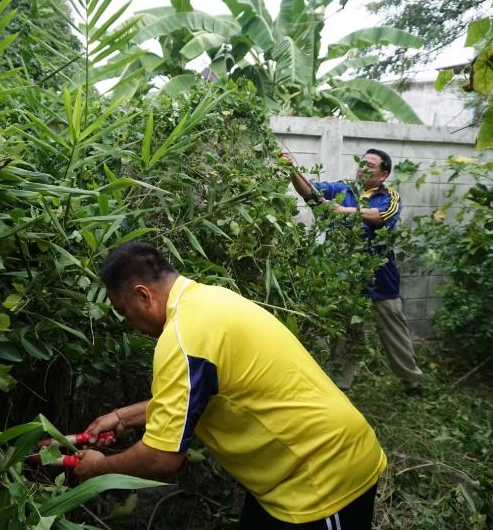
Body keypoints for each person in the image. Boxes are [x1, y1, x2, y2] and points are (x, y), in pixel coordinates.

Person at [74, 242, 386, 529]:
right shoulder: (210, 299)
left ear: (143, 295)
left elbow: (161, 457)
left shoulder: (182, 338)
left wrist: (100, 468)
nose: (128, 322)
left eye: (123, 311)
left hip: (323, 477)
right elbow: (196, 396)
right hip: (291, 476)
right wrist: (122, 417)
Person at [285, 149, 424, 396]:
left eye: (370, 165)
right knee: (345, 331)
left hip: (380, 275)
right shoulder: (343, 188)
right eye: (362, 162)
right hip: (345, 275)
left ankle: (412, 381)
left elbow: (381, 216)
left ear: (383, 175)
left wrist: (342, 210)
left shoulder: (389, 196)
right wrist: (291, 169)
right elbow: (310, 192)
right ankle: (341, 386)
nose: (363, 167)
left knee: (393, 329)